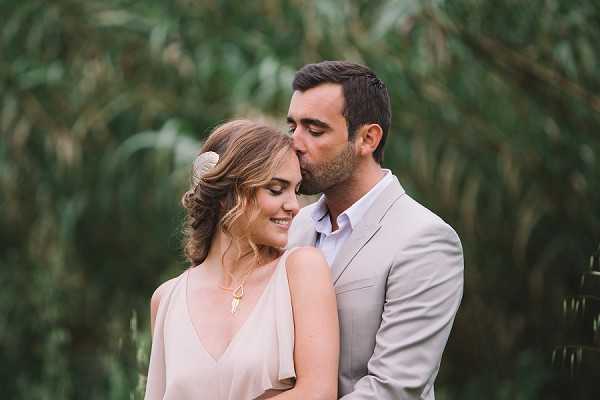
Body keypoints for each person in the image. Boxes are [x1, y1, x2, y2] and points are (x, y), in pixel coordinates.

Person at [286, 61, 464, 400]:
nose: (294, 143)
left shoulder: (425, 241)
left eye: (315, 129)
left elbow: (393, 389)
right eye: (292, 126)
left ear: (367, 138)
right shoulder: (292, 227)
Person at [144, 120, 339, 400]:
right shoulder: (166, 300)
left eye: (294, 191)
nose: (294, 207)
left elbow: (318, 393)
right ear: (226, 194)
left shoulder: (301, 271)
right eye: (275, 189)